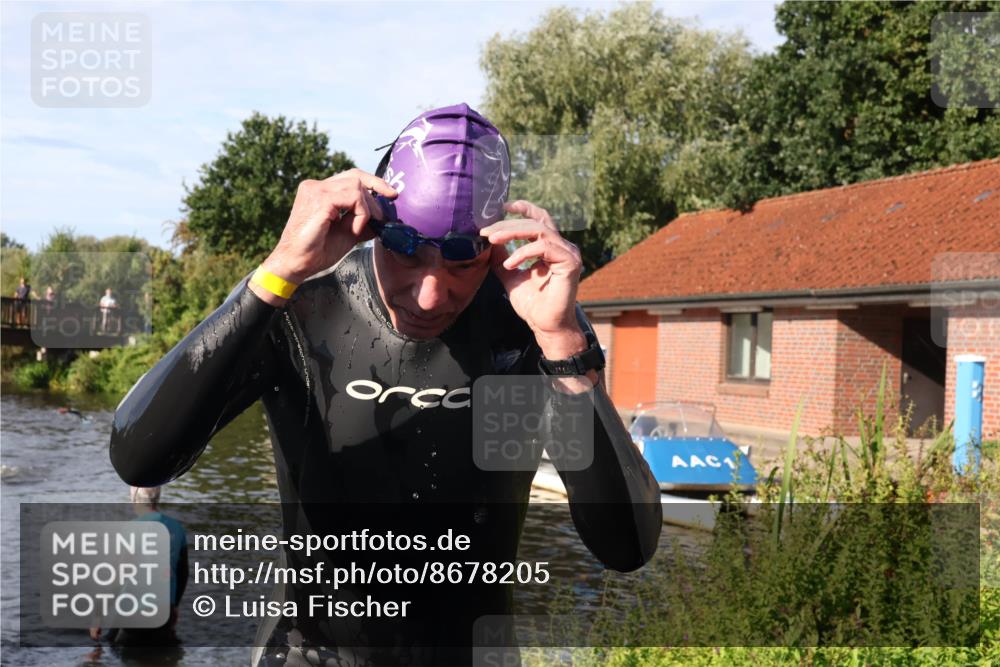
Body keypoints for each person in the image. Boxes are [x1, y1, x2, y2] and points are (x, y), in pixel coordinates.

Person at [109, 103, 661, 665]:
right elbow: (139, 458)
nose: (428, 296)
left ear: (495, 246)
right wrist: (275, 272)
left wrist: (563, 346)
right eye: (405, 249)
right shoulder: (301, 300)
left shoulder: (530, 324)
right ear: (375, 226)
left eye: (462, 258)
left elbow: (627, 546)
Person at [90, 485, 189, 648]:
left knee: (113, 647)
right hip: (164, 612)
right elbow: (183, 573)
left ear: (134, 499)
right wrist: (175, 606)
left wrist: (98, 616)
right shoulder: (177, 528)